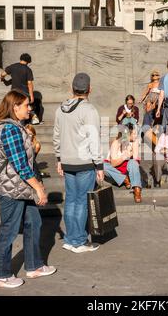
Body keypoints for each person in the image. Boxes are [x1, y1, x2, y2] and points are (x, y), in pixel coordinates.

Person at [0, 90, 56, 289]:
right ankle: (0, 275)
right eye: (26, 105)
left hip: (22, 189)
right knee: (8, 231)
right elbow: (21, 166)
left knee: (34, 223)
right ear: (15, 107)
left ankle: (34, 266)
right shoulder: (9, 130)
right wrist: (40, 189)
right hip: (12, 190)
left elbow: (23, 159)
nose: (30, 108)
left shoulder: (18, 127)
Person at [53, 72, 104, 253]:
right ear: (89, 89)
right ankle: (79, 241)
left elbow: (57, 136)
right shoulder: (89, 110)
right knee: (81, 201)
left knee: (71, 200)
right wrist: (99, 164)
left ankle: (70, 238)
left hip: (67, 161)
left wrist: (59, 158)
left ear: (72, 89)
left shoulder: (60, 109)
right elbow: (94, 139)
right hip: (84, 163)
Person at [103, 123, 142, 203]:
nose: (135, 135)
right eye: (134, 133)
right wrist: (123, 157)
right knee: (103, 166)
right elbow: (113, 164)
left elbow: (135, 157)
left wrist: (130, 154)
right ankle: (124, 179)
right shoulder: (116, 143)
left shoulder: (135, 141)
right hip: (116, 170)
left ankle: (137, 189)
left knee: (133, 162)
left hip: (128, 169)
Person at [0, 53, 40, 125]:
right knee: (26, 107)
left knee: (15, 109)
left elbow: (3, 74)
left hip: (14, 93)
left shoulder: (12, 67)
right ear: (28, 61)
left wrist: (3, 79)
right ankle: (33, 118)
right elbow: (29, 83)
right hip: (24, 93)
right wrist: (31, 96)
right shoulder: (28, 70)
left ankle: (16, 124)